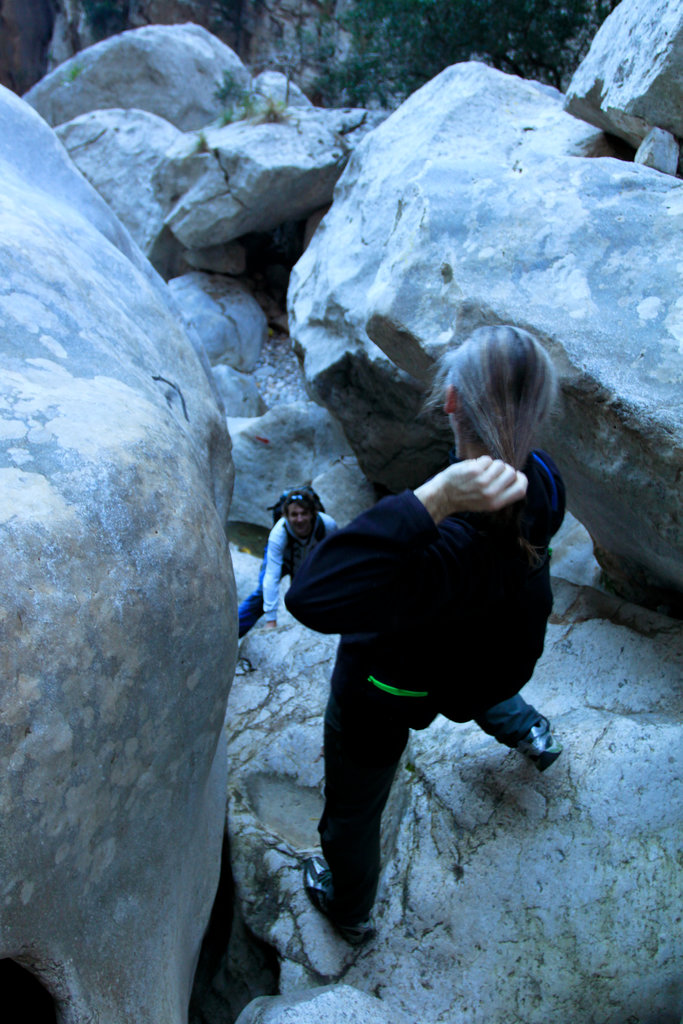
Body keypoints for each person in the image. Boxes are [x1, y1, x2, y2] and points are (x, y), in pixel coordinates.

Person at [284, 325, 566, 946]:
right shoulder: (542, 478)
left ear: (450, 402)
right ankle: (530, 732)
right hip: (484, 661)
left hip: (389, 690)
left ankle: (351, 909)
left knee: (354, 807)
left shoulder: (438, 546)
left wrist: (429, 500)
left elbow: (310, 595)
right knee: (479, 676)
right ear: (538, 412)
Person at [237, 487, 337, 637]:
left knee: (306, 593)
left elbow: (336, 562)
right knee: (262, 594)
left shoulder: (327, 525)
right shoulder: (278, 534)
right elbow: (271, 577)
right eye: (294, 515)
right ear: (286, 516)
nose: (299, 519)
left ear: (312, 514)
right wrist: (271, 621)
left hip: (310, 558)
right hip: (284, 558)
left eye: (304, 514)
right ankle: (231, 633)